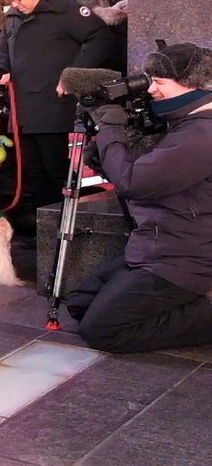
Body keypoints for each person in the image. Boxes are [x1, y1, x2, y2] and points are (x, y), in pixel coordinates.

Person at [66, 44, 212, 353]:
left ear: (194, 85)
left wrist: (110, 128)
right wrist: (108, 146)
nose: (152, 90)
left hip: (182, 259)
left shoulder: (201, 135)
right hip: (156, 247)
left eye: (160, 82)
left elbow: (133, 182)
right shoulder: (185, 124)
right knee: (80, 303)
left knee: (100, 331)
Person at [0, 0, 111, 221]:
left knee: (53, 168)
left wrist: (74, 75)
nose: (14, 4)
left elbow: (100, 37)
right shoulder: (14, 14)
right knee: (32, 169)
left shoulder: (67, 8)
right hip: (23, 104)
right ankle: (40, 226)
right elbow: (2, 48)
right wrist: (0, 67)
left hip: (52, 104)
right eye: (9, 0)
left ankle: (57, 225)